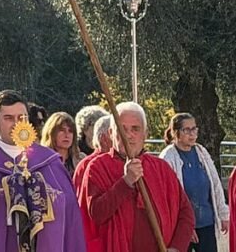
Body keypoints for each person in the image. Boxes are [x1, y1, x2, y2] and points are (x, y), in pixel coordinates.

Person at [0, 89, 84, 251]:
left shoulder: (49, 162)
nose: (16, 124)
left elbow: (70, 215)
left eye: (21, 118)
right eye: (9, 118)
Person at [81, 102, 195, 251]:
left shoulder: (161, 168)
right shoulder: (97, 167)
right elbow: (96, 214)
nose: (128, 135)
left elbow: (185, 212)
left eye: (135, 129)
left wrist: (176, 248)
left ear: (145, 134)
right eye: (122, 129)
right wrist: (126, 182)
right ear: (111, 133)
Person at [159, 113, 227, 252]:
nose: (192, 134)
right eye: (187, 130)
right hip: (182, 226)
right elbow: (168, 198)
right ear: (175, 132)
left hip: (206, 222)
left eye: (194, 129)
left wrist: (223, 214)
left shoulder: (201, 151)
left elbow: (215, 184)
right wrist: (185, 228)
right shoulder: (167, 157)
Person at [41, 111, 85, 177]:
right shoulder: (42, 161)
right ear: (51, 133)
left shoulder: (81, 160)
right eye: (62, 130)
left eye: (70, 131)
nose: (67, 135)